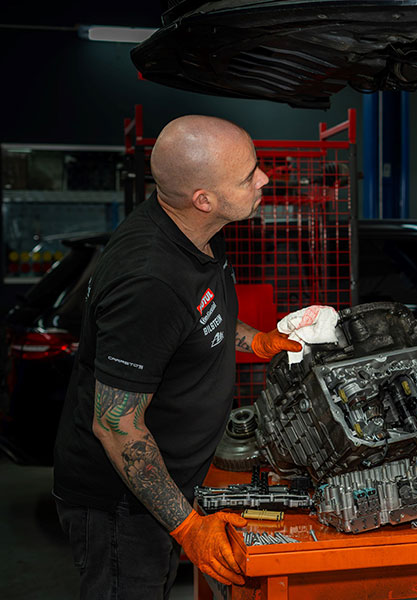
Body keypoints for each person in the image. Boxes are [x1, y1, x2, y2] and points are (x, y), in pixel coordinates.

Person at [52, 115, 304, 598]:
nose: (264, 179)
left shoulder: (197, 230)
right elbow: (116, 425)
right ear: (203, 199)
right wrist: (188, 527)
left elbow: (198, 318)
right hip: (120, 505)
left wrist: (256, 341)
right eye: (249, 174)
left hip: (170, 484)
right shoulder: (149, 282)